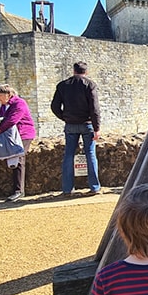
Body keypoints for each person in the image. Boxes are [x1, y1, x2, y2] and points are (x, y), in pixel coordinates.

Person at [0, 84, 36, 202]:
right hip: (8, 134)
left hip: (23, 133)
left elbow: (12, 119)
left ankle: (18, 191)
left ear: (8, 95)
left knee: (18, 156)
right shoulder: (4, 106)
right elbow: (1, 118)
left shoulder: (20, 103)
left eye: (0, 96)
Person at [51, 62, 101, 195]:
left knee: (68, 155)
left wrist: (65, 117)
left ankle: (67, 189)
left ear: (73, 71)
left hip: (70, 124)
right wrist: (97, 128)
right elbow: (94, 109)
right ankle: (94, 187)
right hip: (87, 124)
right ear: (86, 72)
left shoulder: (63, 85)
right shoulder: (90, 85)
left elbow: (54, 107)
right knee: (90, 154)